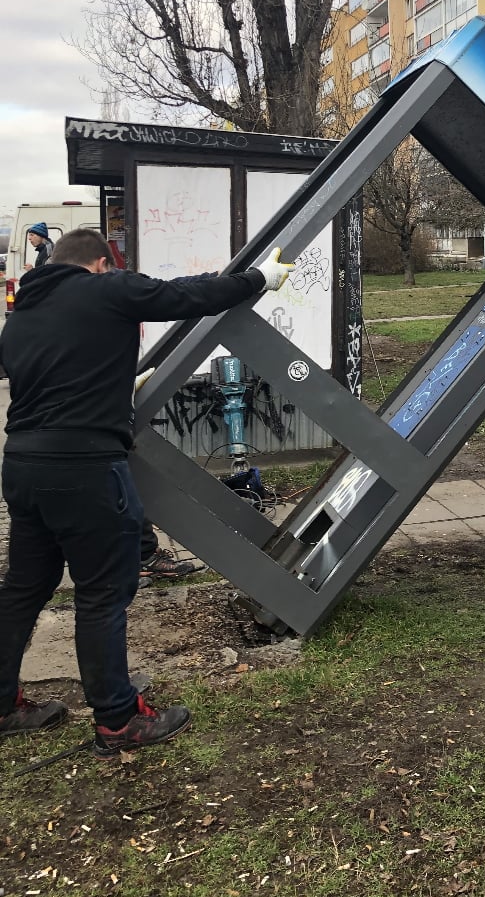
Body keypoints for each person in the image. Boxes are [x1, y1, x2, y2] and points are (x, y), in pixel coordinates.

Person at [0, 228, 294, 754]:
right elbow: (183, 295)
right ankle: (117, 719)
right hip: (85, 469)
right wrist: (258, 280)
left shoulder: (21, 314)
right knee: (102, 592)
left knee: (22, 589)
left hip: (23, 465)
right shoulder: (102, 287)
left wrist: (118, 382)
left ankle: (3, 704)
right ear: (98, 264)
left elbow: (52, 375)